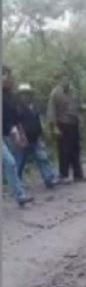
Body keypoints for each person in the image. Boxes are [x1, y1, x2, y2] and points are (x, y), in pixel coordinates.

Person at [16, 83, 60, 188]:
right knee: (19, 163)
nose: (25, 96)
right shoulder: (17, 108)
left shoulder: (34, 107)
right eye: (23, 94)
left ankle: (49, 179)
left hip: (35, 139)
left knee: (42, 158)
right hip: (23, 139)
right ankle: (17, 185)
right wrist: (20, 136)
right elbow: (16, 123)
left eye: (27, 94)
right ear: (20, 95)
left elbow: (38, 121)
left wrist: (41, 134)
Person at [47, 71, 86, 183]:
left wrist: (83, 107)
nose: (66, 81)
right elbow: (51, 111)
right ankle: (64, 175)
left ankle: (78, 175)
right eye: (63, 79)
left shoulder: (74, 92)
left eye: (68, 79)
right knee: (64, 151)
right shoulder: (55, 93)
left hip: (74, 124)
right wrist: (54, 127)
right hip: (62, 124)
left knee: (76, 149)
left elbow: (78, 106)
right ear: (60, 80)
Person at [2, 66, 34, 206]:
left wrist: (21, 134)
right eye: (7, 77)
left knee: (11, 162)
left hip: (6, 135)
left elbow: (16, 119)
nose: (10, 80)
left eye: (10, 77)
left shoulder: (10, 97)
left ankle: (19, 195)